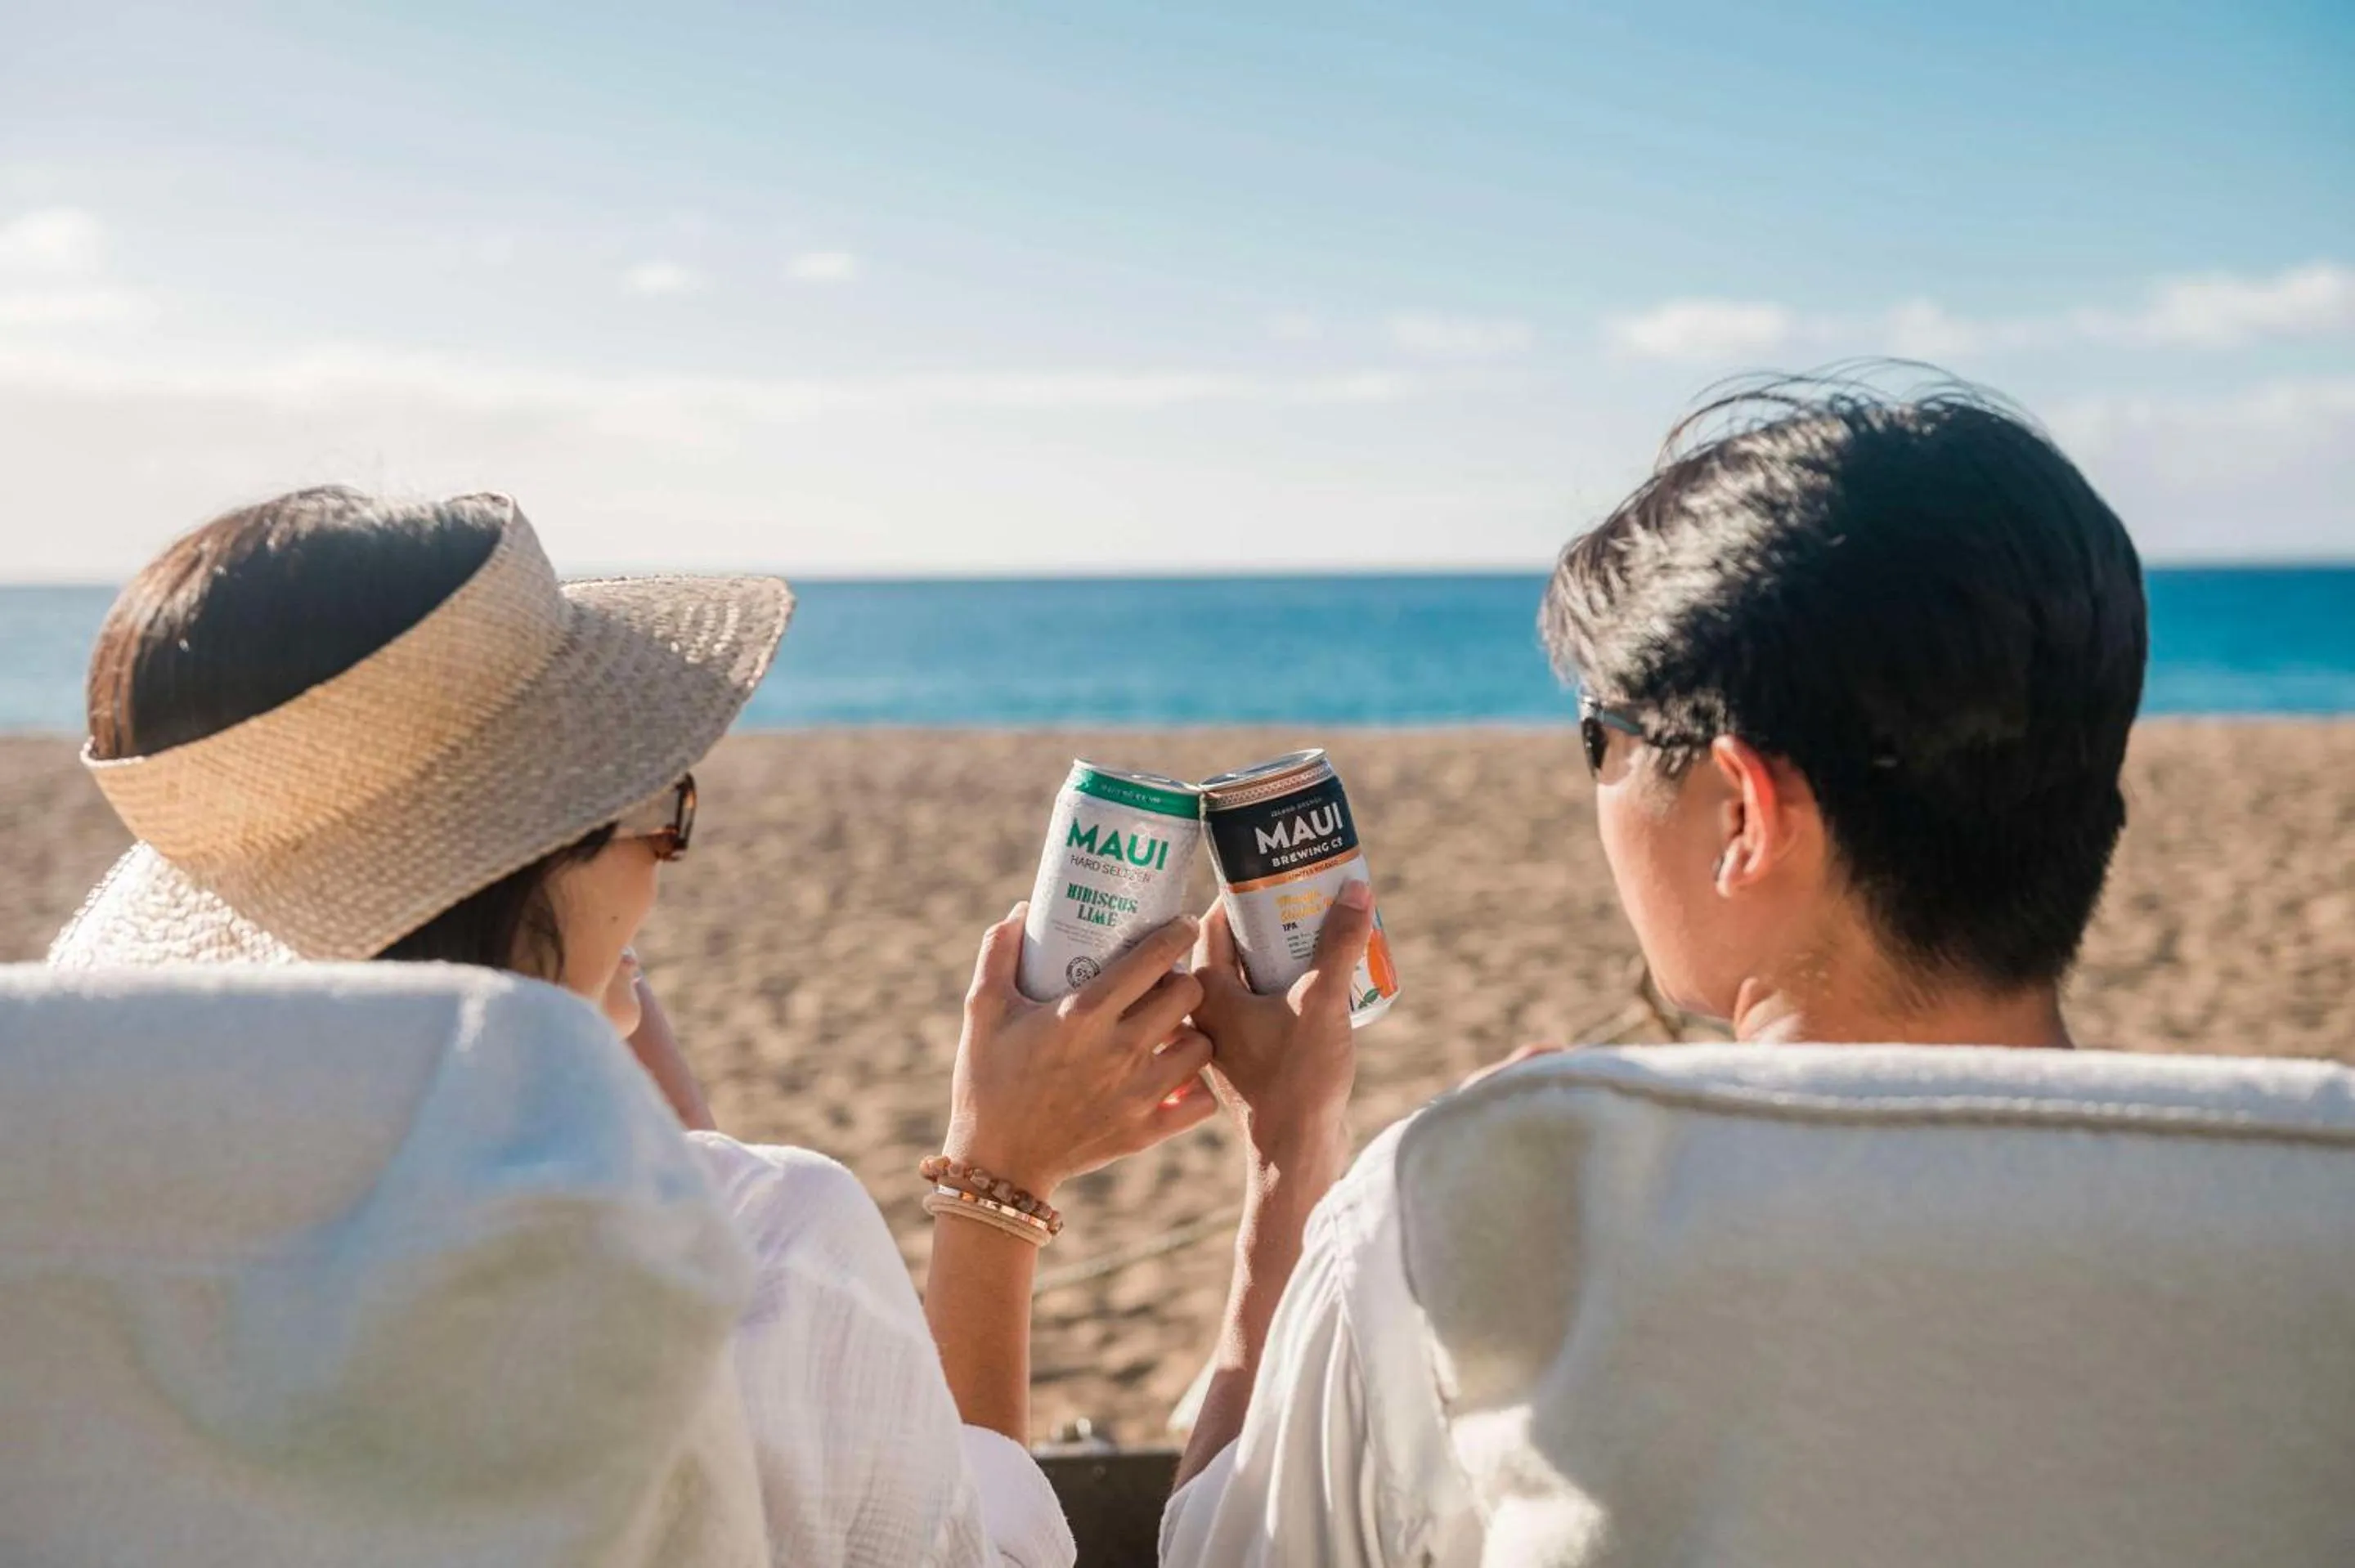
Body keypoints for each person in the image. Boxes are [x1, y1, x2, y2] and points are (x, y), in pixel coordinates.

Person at [50, 486, 1221, 1568]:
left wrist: (672, 1155)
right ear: (530, 867)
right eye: (663, 812)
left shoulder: (73, 1238)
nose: (665, 861)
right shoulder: (761, 1255)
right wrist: (997, 1188)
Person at [1160, 379, 2148, 1564]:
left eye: (1601, 735)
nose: (1594, 780)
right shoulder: (2277, 1209)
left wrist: (1294, 1158)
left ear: (1742, 811)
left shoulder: (1468, 1225)